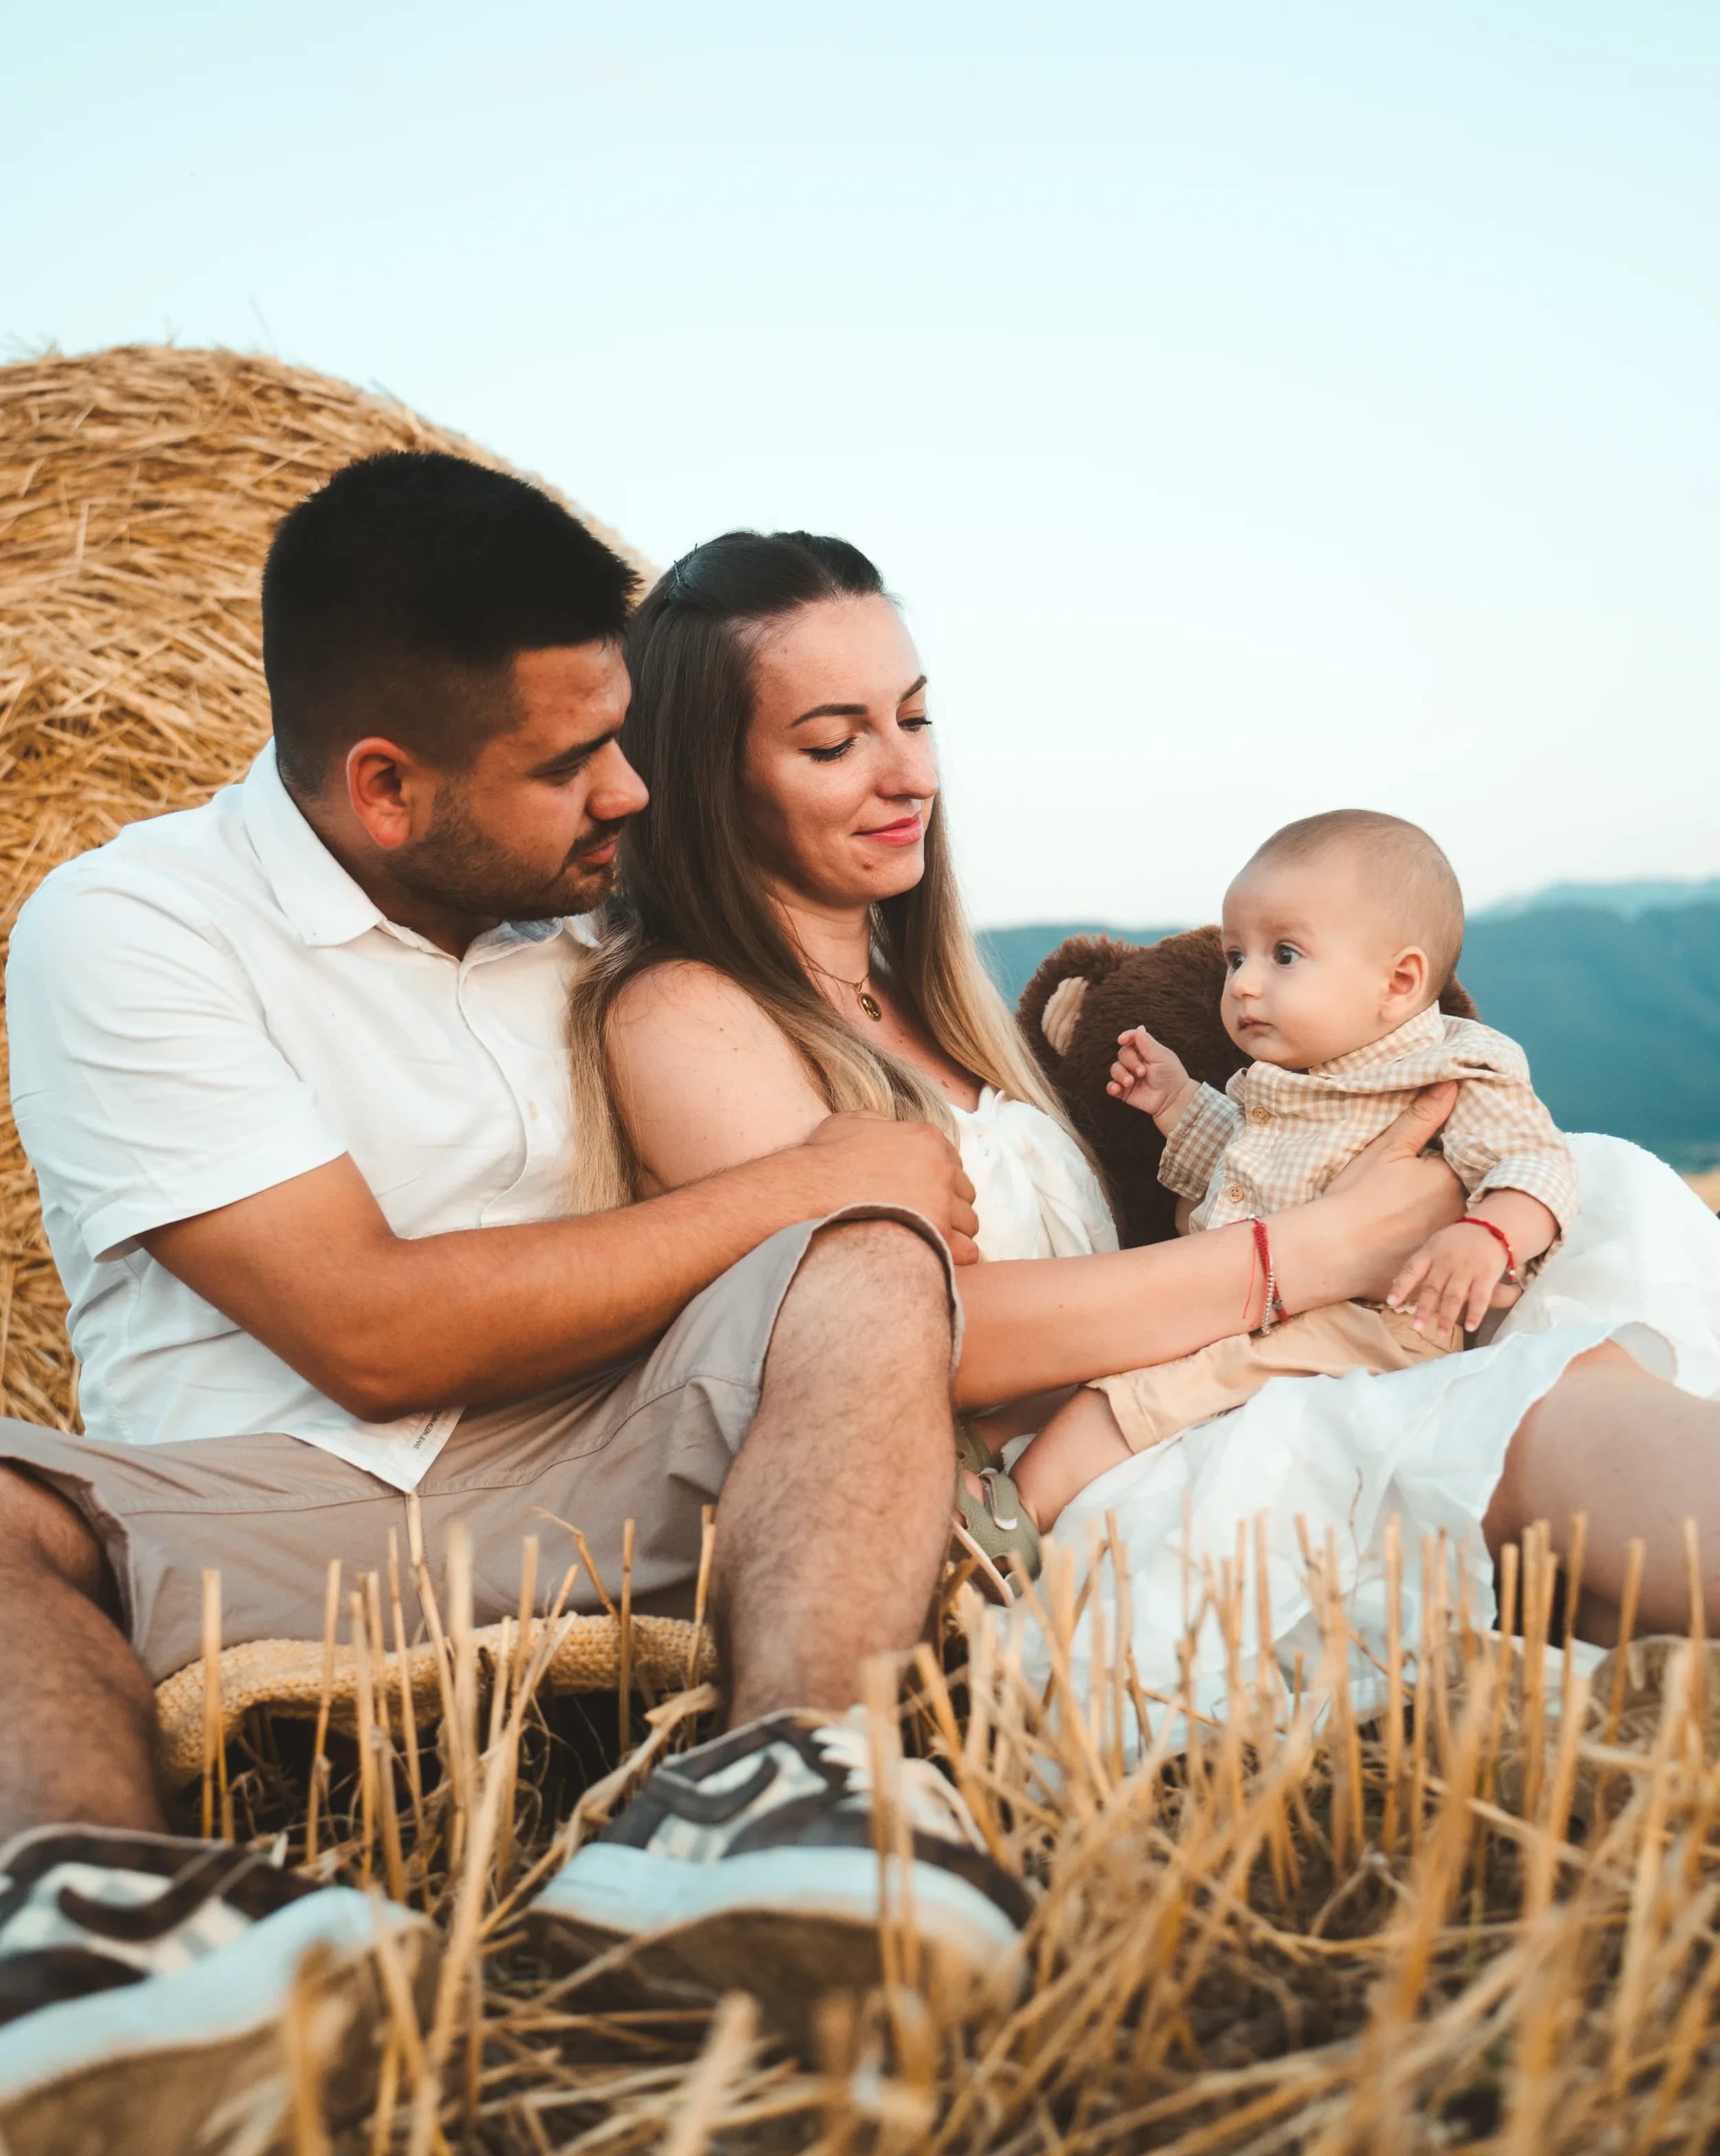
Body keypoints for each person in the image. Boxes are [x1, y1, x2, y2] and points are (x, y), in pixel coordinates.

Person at [0, 455, 1001, 2156]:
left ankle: (783, 1784)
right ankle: (108, 1921)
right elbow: (366, 1329)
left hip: (595, 1471)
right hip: (260, 1513)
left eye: (622, 734)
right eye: (567, 762)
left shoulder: (596, 917)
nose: (628, 788)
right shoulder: (127, 922)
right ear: (386, 788)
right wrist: (803, 1175)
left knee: (861, 1259)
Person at [566, 523, 1720, 1738]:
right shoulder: (689, 1011)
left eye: (912, 717)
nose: (906, 773)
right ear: (705, 776)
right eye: (833, 741)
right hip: (1082, 1484)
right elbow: (887, 1343)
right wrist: (1324, 1247)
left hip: (1215, 1389)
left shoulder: (940, 1007)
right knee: (1548, 1407)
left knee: (1605, 1219)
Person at [1006, 807, 1580, 1517]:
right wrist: (1178, 1101)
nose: (1245, 983)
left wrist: (1488, 1232)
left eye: (1283, 955)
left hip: (1369, 1325)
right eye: (1234, 956)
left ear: (1398, 982)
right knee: (1108, 1373)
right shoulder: (1287, 1085)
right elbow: (1251, 1176)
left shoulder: (1453, 1068)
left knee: (1129, 1395)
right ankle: (1009, 1472)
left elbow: (1536, 1162)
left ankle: (1012, 1512)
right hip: (1272, 1302)